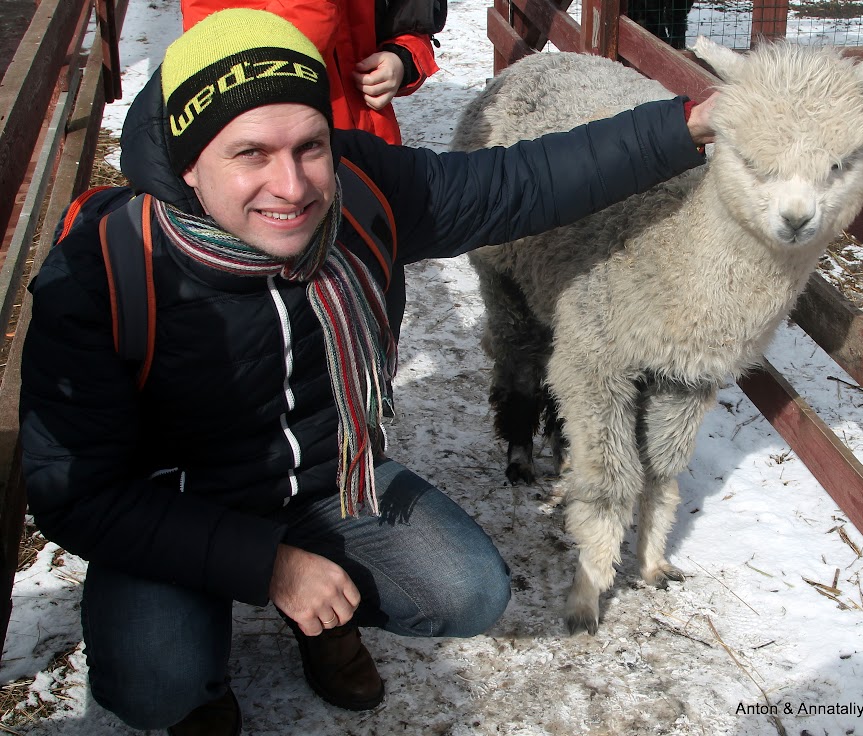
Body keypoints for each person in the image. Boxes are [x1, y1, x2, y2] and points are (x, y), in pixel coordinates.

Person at [19, 9, 715, 735]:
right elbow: (78, 494)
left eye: (309, 146)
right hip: (175, 502)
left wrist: (690, 125)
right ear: (188, 161)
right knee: (153, 686)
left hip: (329, 478)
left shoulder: (360, 191)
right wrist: (271, 567)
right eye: (250, 153)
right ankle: (201, 670)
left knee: (469, 591)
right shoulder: (105, 269)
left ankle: (326, 619)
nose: (291, 187)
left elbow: (524, 180)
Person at [179, 0, 439, 145]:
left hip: (374, 147)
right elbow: (248, 60)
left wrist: (401, 59)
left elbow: (410, 21)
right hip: (286, 156)